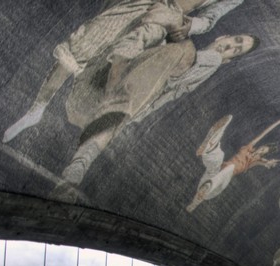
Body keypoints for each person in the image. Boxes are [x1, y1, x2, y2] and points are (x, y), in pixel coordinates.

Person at [3, 0, 246, 143]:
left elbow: (210, 18)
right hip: (141, 3)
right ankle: (37, 109)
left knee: (121, 70)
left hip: (164, 21)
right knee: (82, 44)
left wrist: (188, 25)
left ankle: (85, 132)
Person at [54, 33, 257, 194]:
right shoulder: (185, 50)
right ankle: (79, 164)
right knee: (109, 117)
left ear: (227, 61)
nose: (230, 47)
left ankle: (78, 166)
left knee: (112, 117)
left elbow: (175, 77)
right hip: (130, 88)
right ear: (224, 36)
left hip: (139, 93)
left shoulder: (209, 60)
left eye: (236, 51)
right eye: (236, 41)